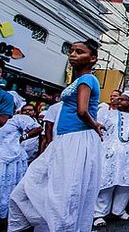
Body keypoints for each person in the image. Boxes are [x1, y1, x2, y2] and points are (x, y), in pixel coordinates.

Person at [9, 39, 103, 232]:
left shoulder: (88, 79)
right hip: (63, 140)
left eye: (79, 52)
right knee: (30, 188)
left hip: (76, 140)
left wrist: (95, 126)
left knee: (65, 195)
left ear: (93, 59)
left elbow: (82, 111)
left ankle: (62, 227)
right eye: (71, 51)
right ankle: (49, 225)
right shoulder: (78, 80)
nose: (73, 55)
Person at [93, 91, 129, 227]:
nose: (119, 101)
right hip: (110, 156)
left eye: (123, 99)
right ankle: (99, 214)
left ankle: (119, 210)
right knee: (107, 183)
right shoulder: (108, 115)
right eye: (118, 99)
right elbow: (99, 132)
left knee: (125, 184)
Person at [0, 94, 40, 227]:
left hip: (13, 160)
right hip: (2, 159)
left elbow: (38, 128)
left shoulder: (18, 119)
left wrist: (24, 136)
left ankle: (7, 219)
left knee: (8, 189)